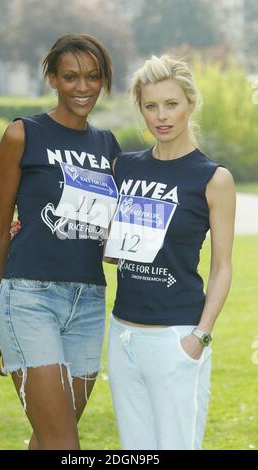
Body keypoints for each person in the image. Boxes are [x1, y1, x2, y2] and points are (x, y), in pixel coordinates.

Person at [0, 34, 121, 450]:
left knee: (47, 440)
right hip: (29, 299)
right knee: (65, 445)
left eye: (93, 77)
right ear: (53, 79)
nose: (83, 87)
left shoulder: (107, 146)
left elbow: (109, 231)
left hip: (89, 302)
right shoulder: (23, 134)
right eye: (71, 77)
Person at [105, 54, 236, 450]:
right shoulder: (124, 168)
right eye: (150, 106)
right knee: (136, 450)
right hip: (123, 334)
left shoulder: (213, 178)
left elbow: (222, 268)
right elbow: (109, 246)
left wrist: (201, 336)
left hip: (175, 337)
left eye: (171, 104)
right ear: (141, 110)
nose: (161, 116)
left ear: (190, 104)